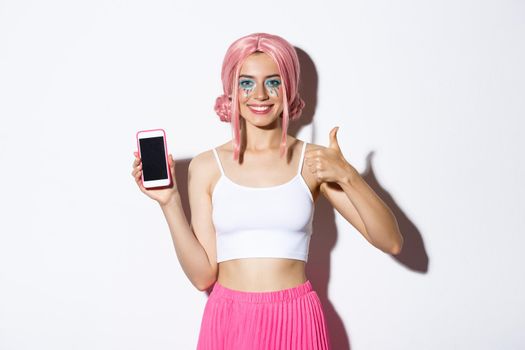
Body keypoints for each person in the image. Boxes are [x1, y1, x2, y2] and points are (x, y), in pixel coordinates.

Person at [131, 32, 404, 350]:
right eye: (246, 83)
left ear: (288, 88)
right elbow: (202, 276)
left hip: (296, 317)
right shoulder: (206, 167)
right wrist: (169, 202)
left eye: (273, 82)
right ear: (231, 90)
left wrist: (348, 175)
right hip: (227, 318)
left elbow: (391, 242)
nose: (259, 94)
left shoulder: (312, 161)